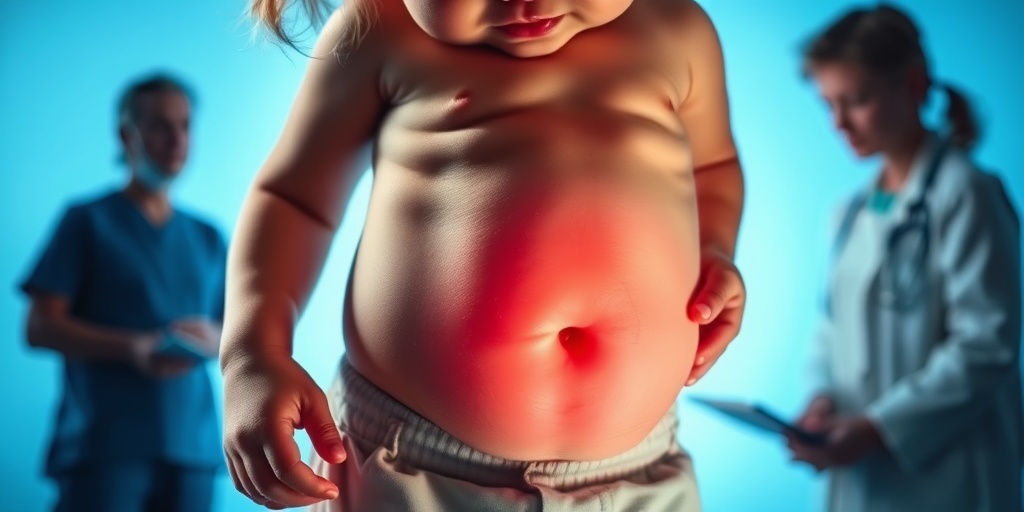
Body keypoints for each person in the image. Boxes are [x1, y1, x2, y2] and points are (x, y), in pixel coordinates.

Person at [221, 0, 747, 510]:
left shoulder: (679, 30)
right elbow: (294, 199)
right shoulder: (377, 32)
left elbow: (713, 167)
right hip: (416, 472)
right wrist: (252, 353)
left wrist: (715, 250)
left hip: (643, 474)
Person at [787, 5, 1022, 512]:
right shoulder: (847, 212)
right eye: (828, 104)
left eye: (857, 100)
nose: (839, 124)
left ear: (913, 85)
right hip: (860, 472)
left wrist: (878, 428)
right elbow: (830, 330)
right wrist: (820, 401)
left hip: (952, 474)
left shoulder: (967, 193)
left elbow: (986, 345)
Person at [19, 74, 228, 512]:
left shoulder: (208, 237)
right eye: (159, 125)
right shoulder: (86, 222)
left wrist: (215, 340)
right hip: (105, 446)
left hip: (192, 447)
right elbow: (39, 326)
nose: (176, 140)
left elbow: (236, 329)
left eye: (185, 125)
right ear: (125, 134)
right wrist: (133, 347)